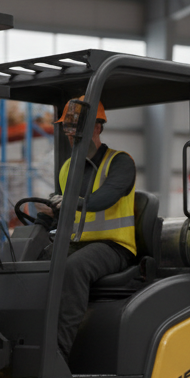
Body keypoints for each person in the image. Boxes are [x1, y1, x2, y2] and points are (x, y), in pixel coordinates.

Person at [51, 97, 137, 357]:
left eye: (76, 126)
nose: (71, 133)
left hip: (115, 247)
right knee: (33, 262)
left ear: (98, 127)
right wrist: (47, 213)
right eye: (67, 127)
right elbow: (65, 212)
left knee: (73, 268)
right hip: (78, 244)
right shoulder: (68, 168)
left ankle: (57, 354)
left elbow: (103, 199)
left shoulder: (120, 162)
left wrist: (71, 203)